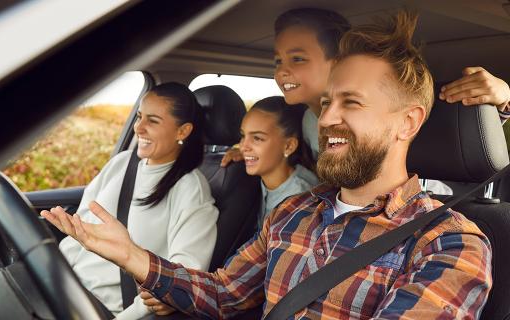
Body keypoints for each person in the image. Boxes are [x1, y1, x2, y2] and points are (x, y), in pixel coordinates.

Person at [42, 11, 493, 318]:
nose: (330, 117)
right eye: (328, 101)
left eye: (351, 102)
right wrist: (131, 256)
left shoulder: (448, 245)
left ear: (407, 122)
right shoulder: (294, 213)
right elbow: (222, 295)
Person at [221, 7, 510, 195]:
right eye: (326, 104)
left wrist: (504, 100)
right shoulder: (302, 119)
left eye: (298, 58)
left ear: (337, 63)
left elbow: (444, 136)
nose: (328, 119)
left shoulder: (394, 121)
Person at [43, 82, 218, 319]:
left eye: (153, 121)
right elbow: (79, 230)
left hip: (105, 311)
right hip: (65, 291)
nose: (139, 127)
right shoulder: (121, 163)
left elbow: (184, 277)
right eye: (139, 117)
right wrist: (47, 274)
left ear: (182, 131)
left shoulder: (190, 189)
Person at [240, 96, 318, 228]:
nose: (243, 147)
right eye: (243, 136)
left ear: (289, 146)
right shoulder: (266, 179)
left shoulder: (301, 201)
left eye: (257, 138)